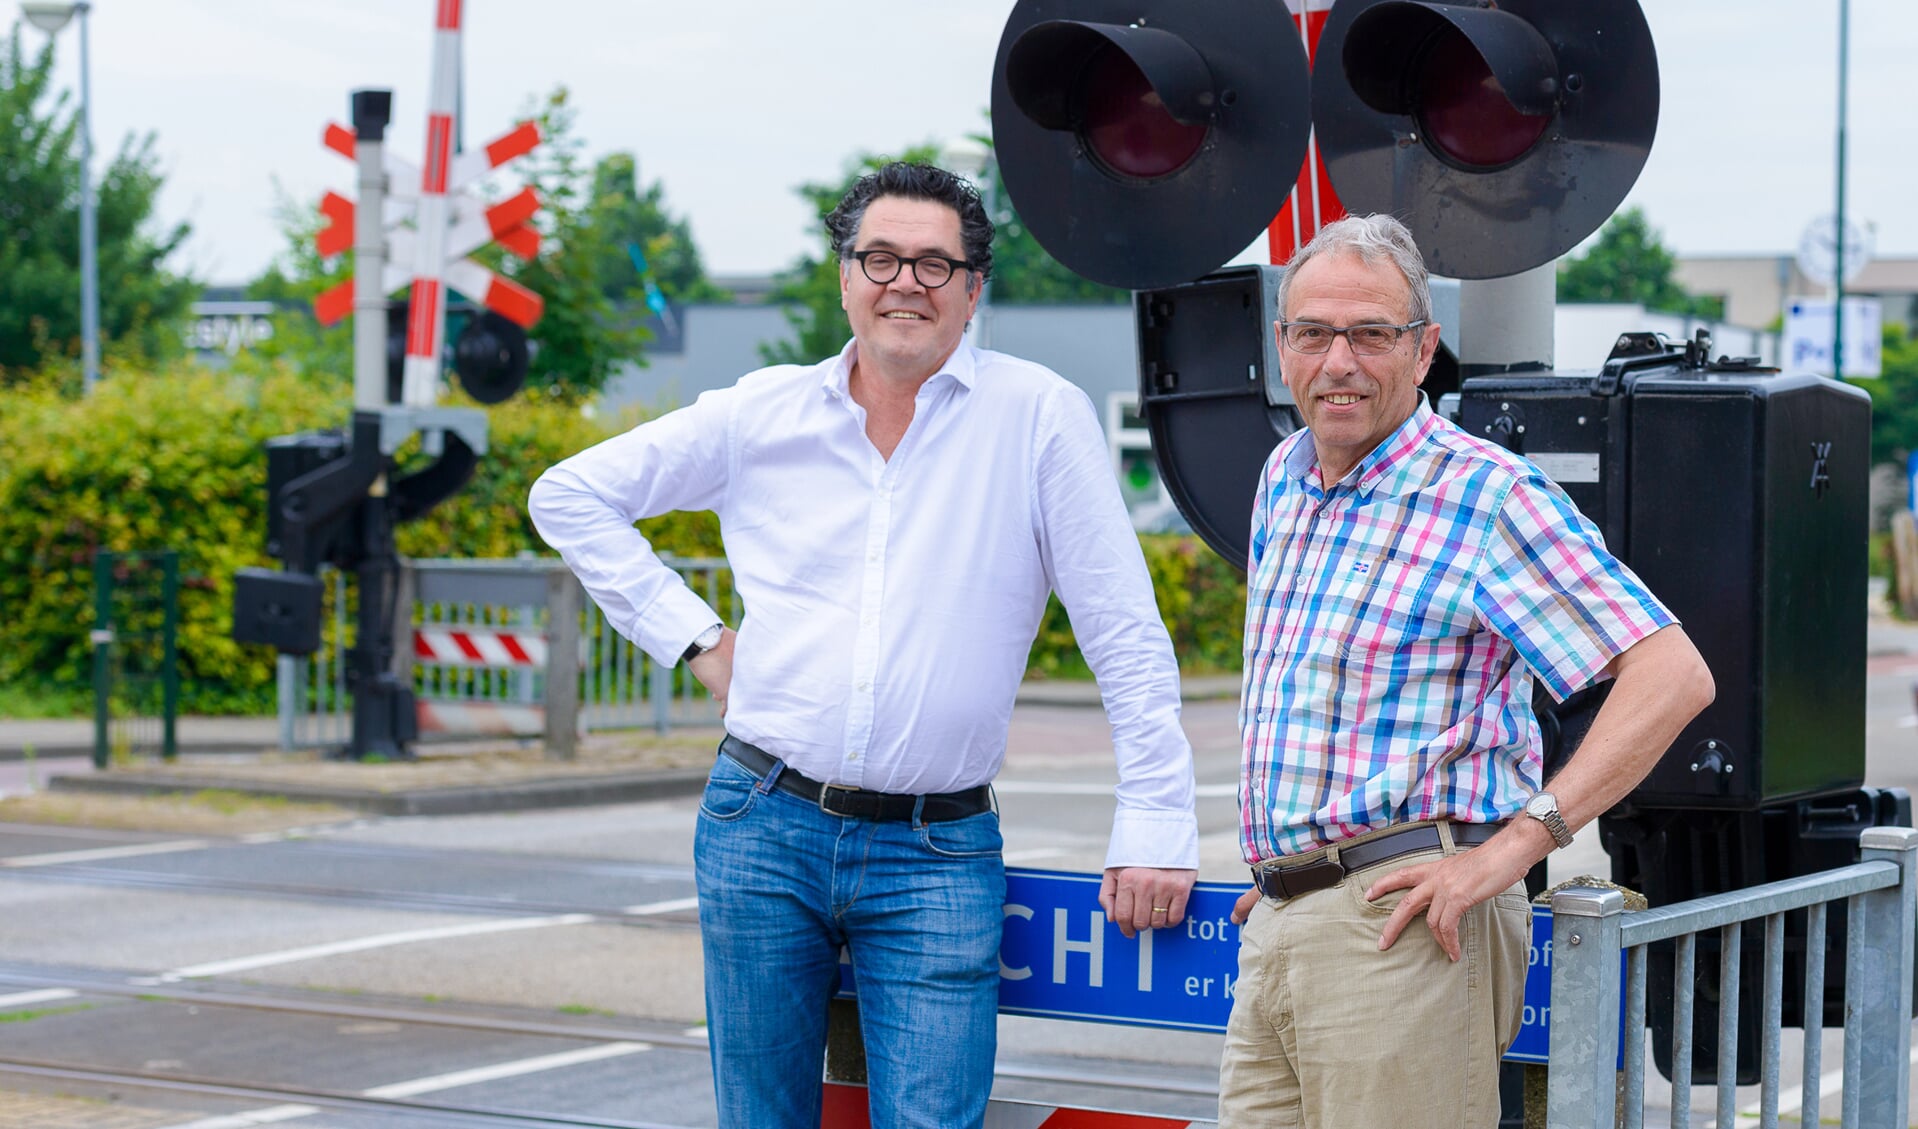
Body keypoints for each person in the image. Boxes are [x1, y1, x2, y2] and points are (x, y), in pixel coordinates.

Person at [527, 162, 1198, 1129]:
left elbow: (1125, 634)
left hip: (936, 848)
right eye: (880, 257)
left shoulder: (1037, 416)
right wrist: (699, 640)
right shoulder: (761, 413)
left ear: (974, 289)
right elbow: (570, 495)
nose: (905, 282)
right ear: (845, 277)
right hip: (760, 823)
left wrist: (1156, 825)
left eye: (936, 264)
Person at [1218, 213, 1714, 1128]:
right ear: (1281, 343)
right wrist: (1293, 862)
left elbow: (1673, 673)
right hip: (1284, 916)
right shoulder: (1285, 476)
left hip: (1406, 923)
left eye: (1372, 333)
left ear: (1423, 348)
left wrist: (1521, 843)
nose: (1340, 361)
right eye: (1314, 332)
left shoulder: (1486, 494)